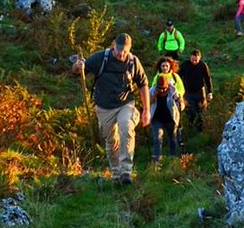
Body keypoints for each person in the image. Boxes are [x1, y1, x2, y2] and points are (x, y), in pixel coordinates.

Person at [74, 34, 150, 185]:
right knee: (111, 141)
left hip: (125, 104)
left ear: (129, 50)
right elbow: (78, 71)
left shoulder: (133, 62)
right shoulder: (101, 58)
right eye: (118, 50)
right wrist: (78, 66)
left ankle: (126, 171)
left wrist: (146, 110)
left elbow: (143, 84)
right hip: (104, 107)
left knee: (126, 128)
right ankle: (116, 173)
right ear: (114, 46)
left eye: (124, 51)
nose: (120, 54)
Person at [148, 67, 183, 162]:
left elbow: (180, 104)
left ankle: (173, 159)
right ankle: (157, 161)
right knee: (157, 139)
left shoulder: (173, 91)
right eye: (160, 88)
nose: (162, 90)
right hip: (156, 119)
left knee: (172, 139)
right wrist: (155, 95)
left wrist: (180, 102)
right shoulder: (152, 91)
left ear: (167, 85)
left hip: (170, 119)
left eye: (164, 88)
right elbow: (148, 103)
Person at [178, 49, 213, 133]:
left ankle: (200, 130)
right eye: (193, 59)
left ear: (199, 58)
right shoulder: (185, 65)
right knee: (190, 111)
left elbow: (207, 79)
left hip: (200, 91)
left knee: (201, 111)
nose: (194, 62)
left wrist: (210, 92)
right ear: (190, 57)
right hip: (188, 91)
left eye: (196, 60)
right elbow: (178, 77)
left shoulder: (203, 65)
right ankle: (190, 129)